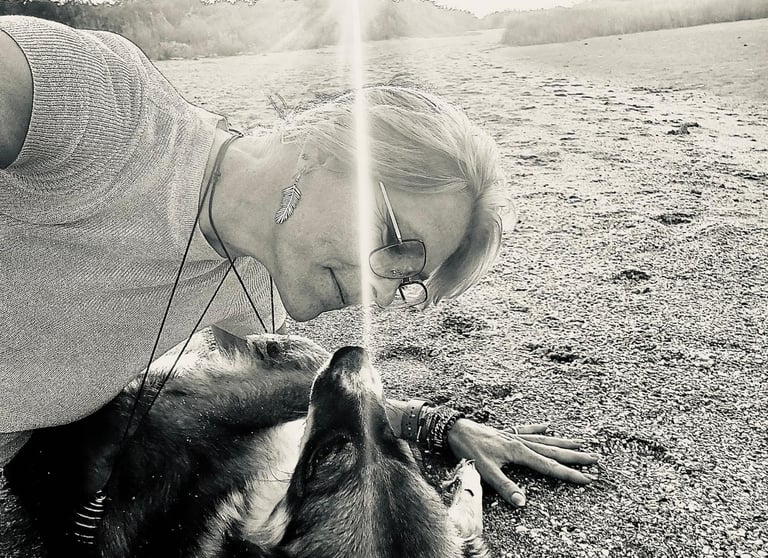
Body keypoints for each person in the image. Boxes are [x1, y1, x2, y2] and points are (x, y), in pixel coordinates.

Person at [0, 15, 597, 508]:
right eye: (399, 245)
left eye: (409, 283)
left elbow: (266, 391)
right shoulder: (108, 109)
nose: (385, 296)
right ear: (325, 150)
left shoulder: (255, 294)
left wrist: (438, 426)